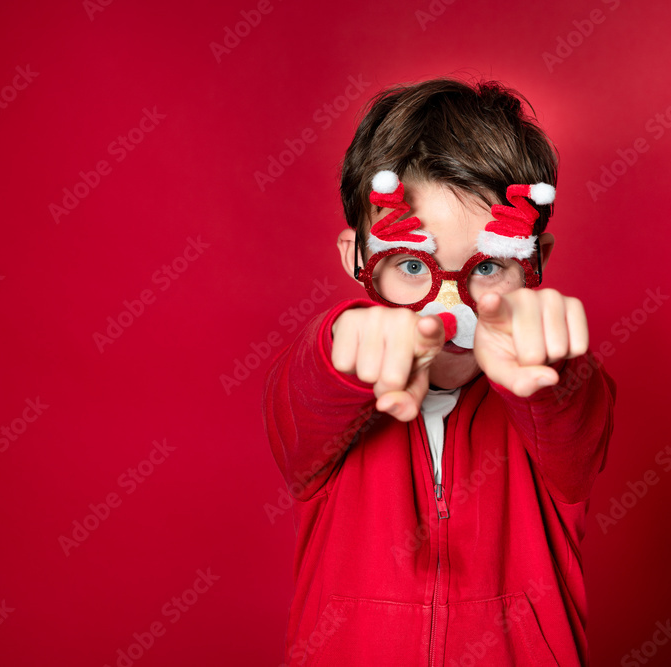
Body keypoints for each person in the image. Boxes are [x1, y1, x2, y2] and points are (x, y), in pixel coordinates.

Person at [262, 76, 617, 667]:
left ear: (536, 264)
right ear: (356, 257)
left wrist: (550, 366)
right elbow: (301, 401)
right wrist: (342, 344)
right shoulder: (330, 390)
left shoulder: (553, 396)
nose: (445, 310)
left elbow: (578, 424)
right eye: (409, 265)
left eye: (487, 268)